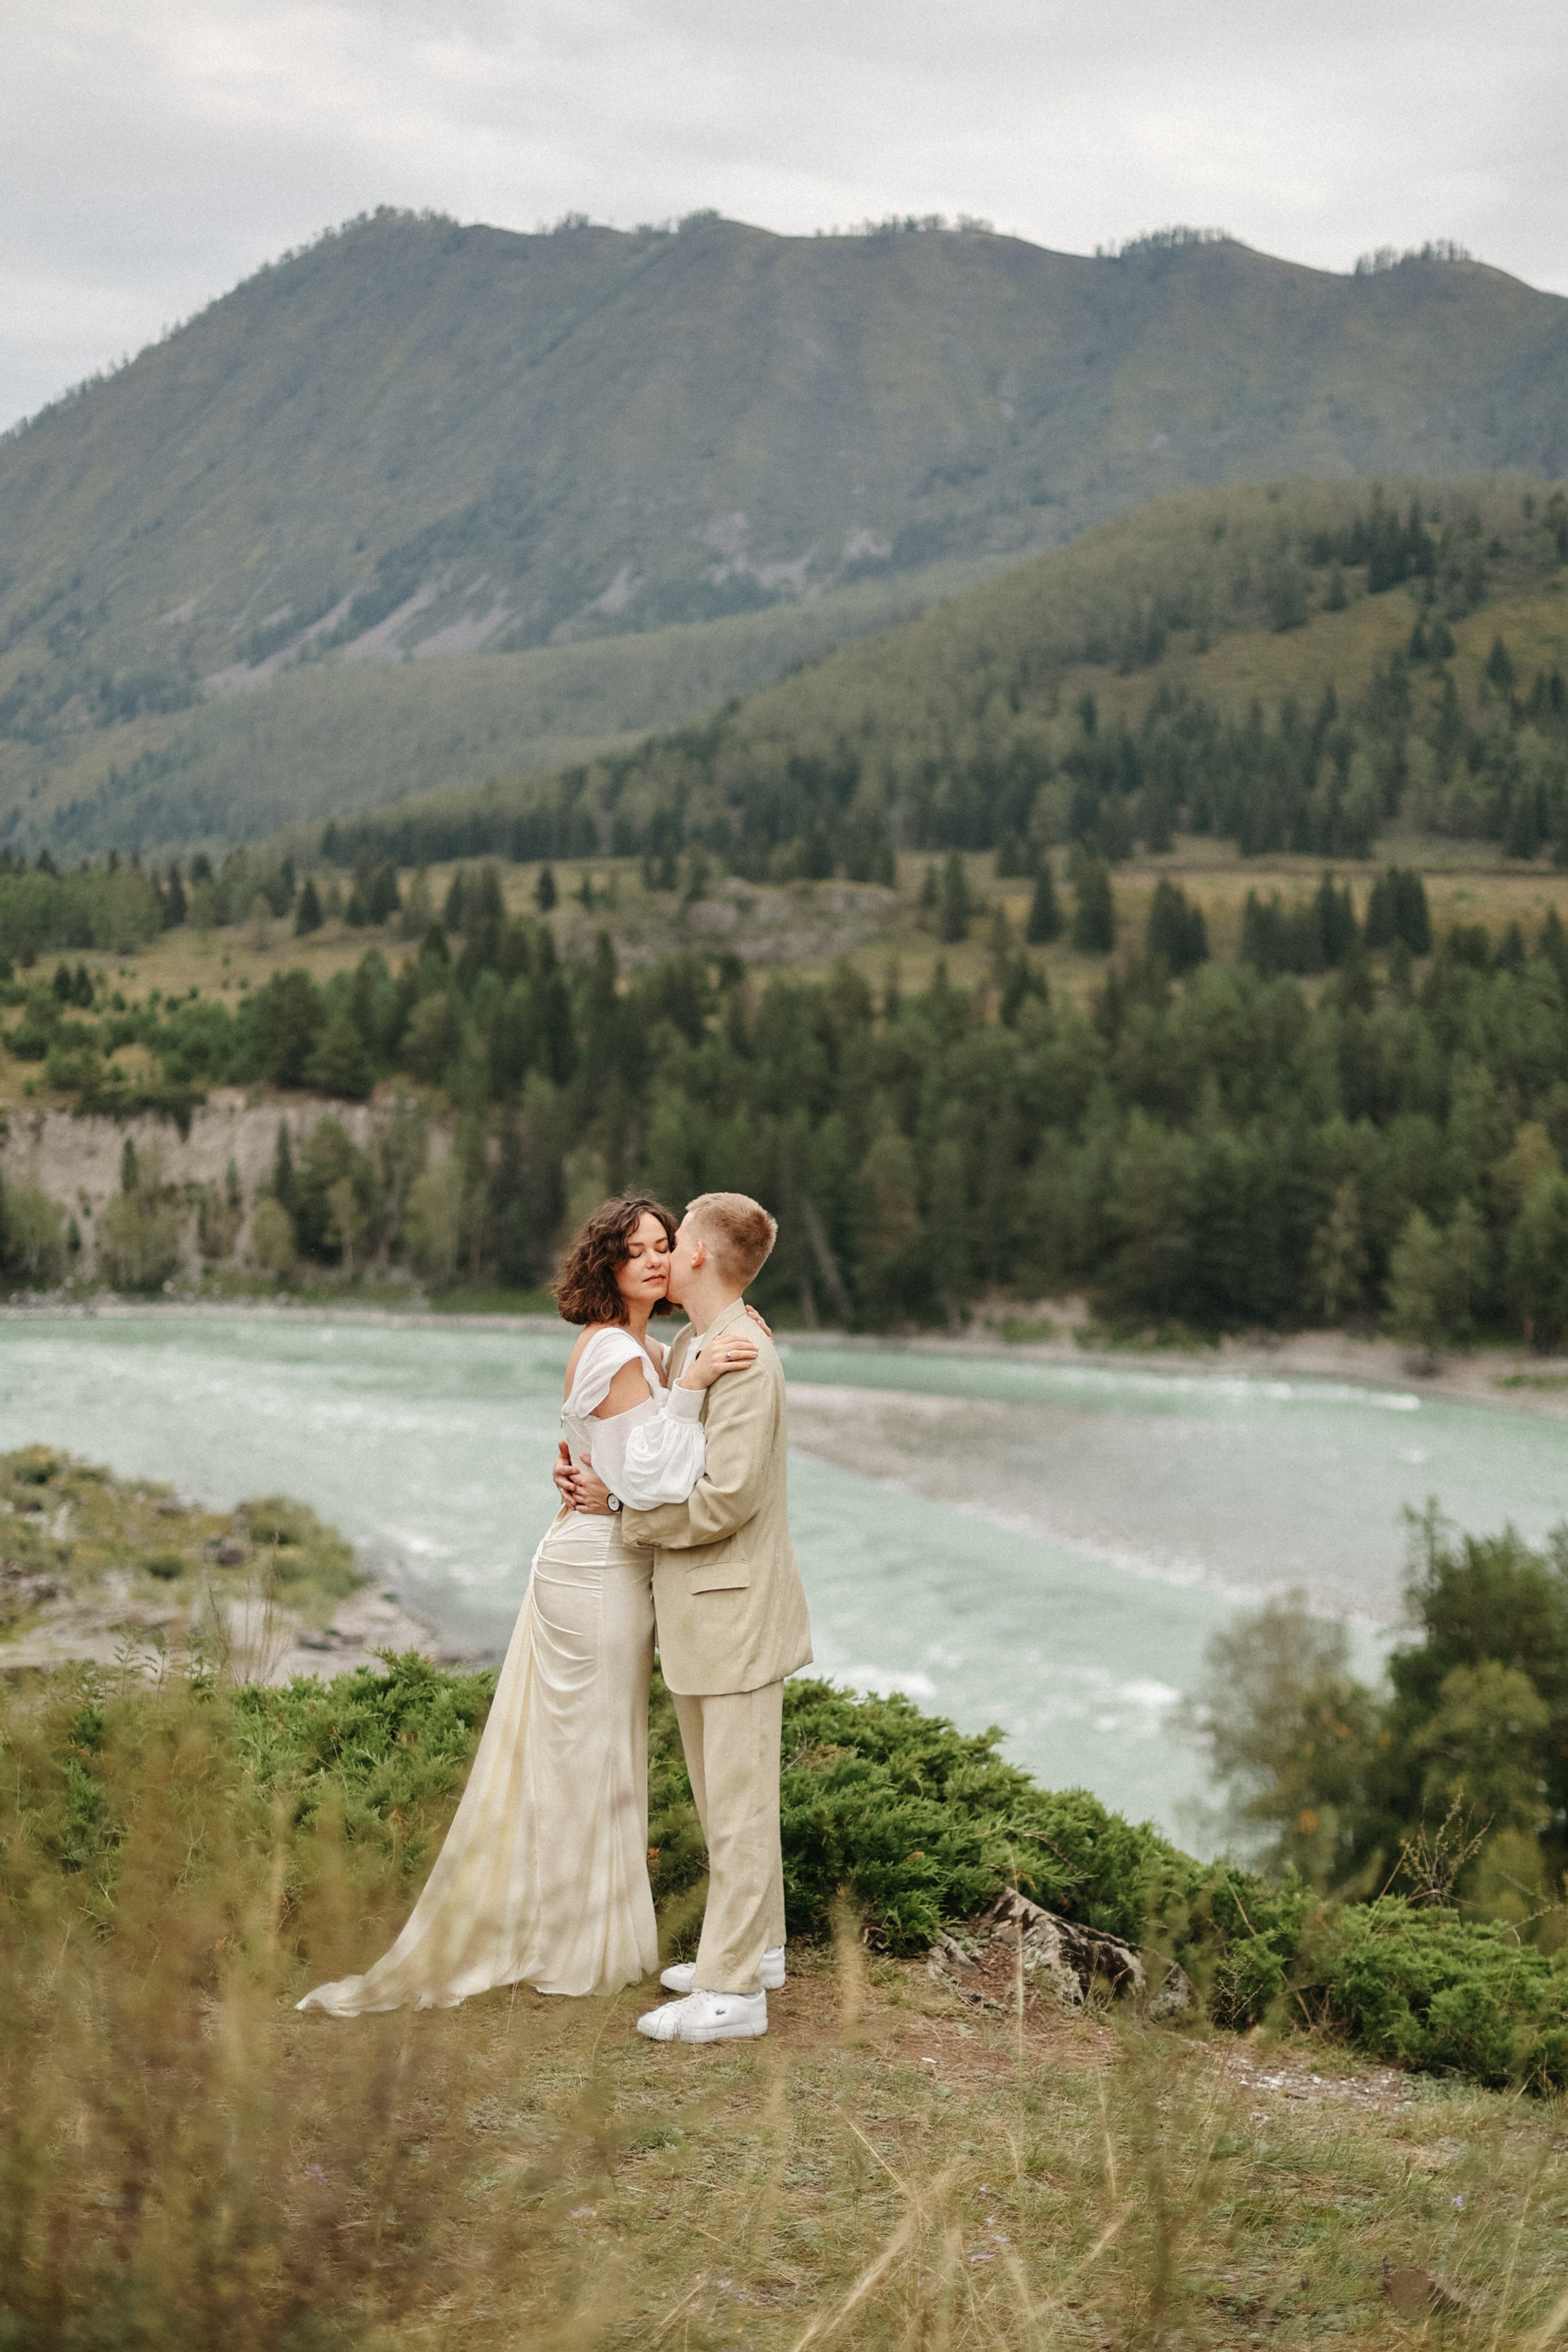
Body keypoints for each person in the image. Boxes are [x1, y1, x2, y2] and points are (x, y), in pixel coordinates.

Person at [296, 1195, 758, 2016]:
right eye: (636, 1250)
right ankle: (566, 1944)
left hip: (616, 1560)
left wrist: (621, 1469)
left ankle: (583, 1932)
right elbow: (654, 1479)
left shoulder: (649, 1349)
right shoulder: (617, 1350)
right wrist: (683, 1398)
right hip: (593, 1575)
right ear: (606, 1265)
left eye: (663, 1246)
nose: (654, 1260)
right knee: (582, 1754)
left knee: (604, 1751)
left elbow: (635, 1475)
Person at [557, 1191, 812, 2044]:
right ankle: (759, 1950)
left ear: (698, 1254)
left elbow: (728, 1497)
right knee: (724, 1800)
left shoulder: (741, 1354)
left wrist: (623, 1515)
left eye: (676, 1243)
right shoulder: (700, 1343)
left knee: (738, 1808)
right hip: (709, 1614)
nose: (664, 1257)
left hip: (735, 1614)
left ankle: (734, 1995)